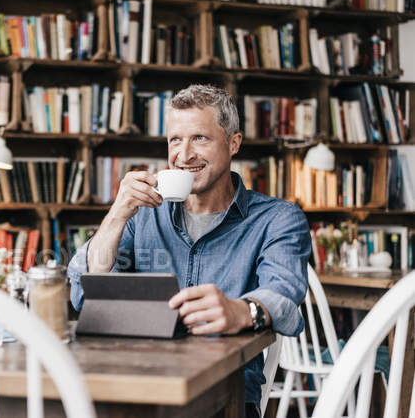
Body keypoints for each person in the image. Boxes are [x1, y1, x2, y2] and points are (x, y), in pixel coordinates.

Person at [67, 84, 310, 418]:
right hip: (138, 388)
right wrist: (116, 215)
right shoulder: (142, 213)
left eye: (200, 138)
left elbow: (283, 294)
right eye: (175, 140)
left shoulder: (277, 219)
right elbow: (84, 290)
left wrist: (240, 311)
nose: (183, 155)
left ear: (233, 143)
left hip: (227, 397)